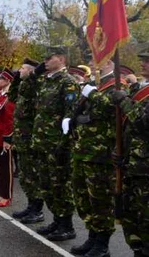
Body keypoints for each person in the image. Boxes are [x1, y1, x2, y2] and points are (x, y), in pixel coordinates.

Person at [68, 59, 122, 255]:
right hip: (83, 149)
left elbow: (108, 110)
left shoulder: (116, 85)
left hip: (101, 154)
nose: (91, 62)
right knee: (83, 198)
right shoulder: (94, 85)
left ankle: (102, 244)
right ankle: (92, 237)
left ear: (108, 62)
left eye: (95, 59)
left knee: (100, 200)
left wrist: (92, 94)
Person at [32, 47, 79, 241]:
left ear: (61, 59)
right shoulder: (46, 80)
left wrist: (64, 143)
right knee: (46, 185)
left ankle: (66, 225)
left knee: (60, 184)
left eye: (49, 58)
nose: (45, 62)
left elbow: (71, 114)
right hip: (42, 142)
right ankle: (57, 220)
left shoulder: (68, 83)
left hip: (57, 144)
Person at [113, 46, 149, 257]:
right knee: (131, 217)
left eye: (147, 60)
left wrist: (124, 101)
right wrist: (119, 151)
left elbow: (143, 123)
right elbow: (126, 126)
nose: (143, 63)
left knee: (146, 219)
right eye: (143, 60)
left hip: (145, 169)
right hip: (132, 164)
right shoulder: (141, 88)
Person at [8, 59, 45, 224]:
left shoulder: (34, 85)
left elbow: (31, 89)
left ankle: (37, 209)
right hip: (21, 137)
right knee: (25, 175)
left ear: (31, 71)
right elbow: (12, 95)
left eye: (22, 69)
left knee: (32, 175)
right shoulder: (23, 86)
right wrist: (16, 78)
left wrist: (32, 75)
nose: (19, 71)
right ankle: (31, 205)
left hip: (30, 137)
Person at [0, 69, 15, 208]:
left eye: (0, 78)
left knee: (6, 168)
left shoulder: (9, 96)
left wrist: (8, 138)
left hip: (4, 137)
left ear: (7, 80)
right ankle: (2, 194)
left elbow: (9, 120)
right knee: (0, 168)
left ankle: (7, 196)